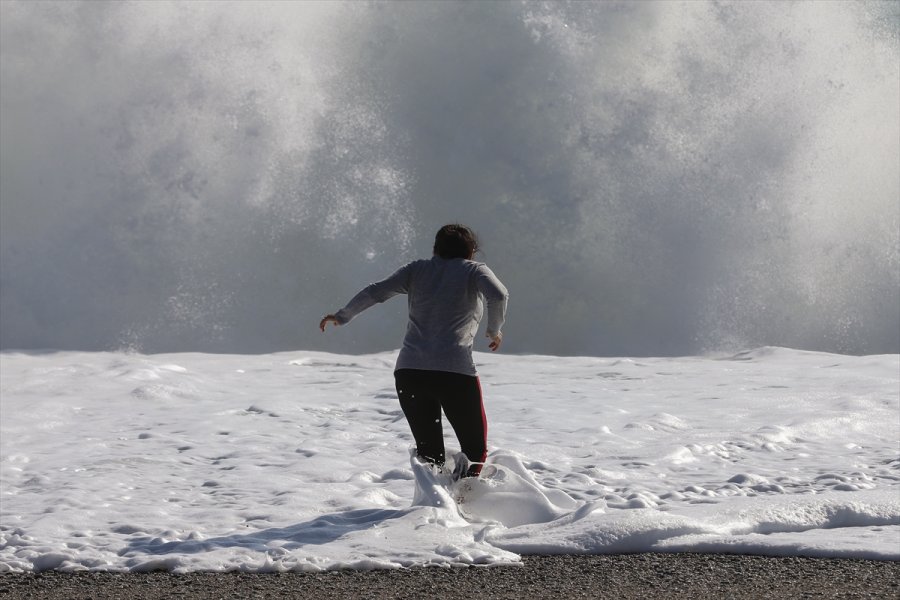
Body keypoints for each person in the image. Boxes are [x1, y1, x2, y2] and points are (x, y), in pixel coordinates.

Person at [319, 224, 508, 478]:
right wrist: (494, 331)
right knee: (475, 451)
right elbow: (498, 295)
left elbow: (376, 291)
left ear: (435, 249)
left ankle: (435, 509)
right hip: (454, 374)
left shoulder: (416, 269)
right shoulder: (475, 271)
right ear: (471, 251)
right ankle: (462, 503)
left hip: (410, 374)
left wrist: (343, 316)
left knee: (430, 456)